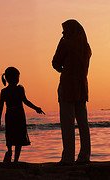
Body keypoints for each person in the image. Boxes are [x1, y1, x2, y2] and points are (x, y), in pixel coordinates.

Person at [52, 19, 92, 165]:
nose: (63, 32)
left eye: (64, 30)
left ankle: (68, 157)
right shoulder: (86, 47)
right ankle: (84, 155)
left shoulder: (66, 43)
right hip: (82, 87)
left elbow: (55, 62)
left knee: (67, 123)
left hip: (68, 86)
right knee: (83, 123)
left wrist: (64, 69)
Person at [0, 67, 45, 163]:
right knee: (15, 136)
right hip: (17, 114)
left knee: (13, 136)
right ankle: (13, 156)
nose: (18, 79)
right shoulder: (14, 90)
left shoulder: (8, 91)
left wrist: (36, 108)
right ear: (10, 78)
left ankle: (12, 155)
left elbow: (1, 106)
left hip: (12, 114)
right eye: (17, 77)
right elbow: (1, 106)